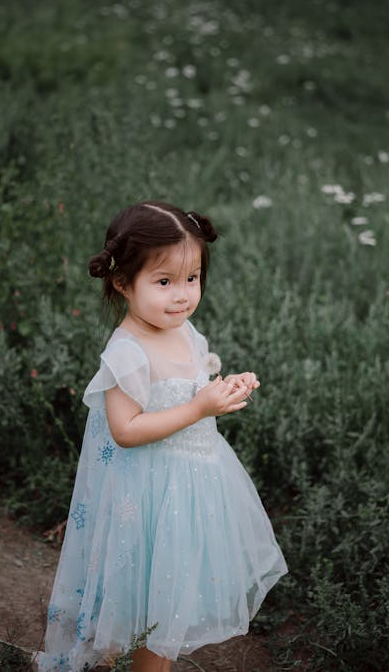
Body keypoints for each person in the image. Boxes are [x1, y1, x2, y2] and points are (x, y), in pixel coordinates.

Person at [34, 201, 288, 672]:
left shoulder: (184, 331)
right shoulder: (126, 352)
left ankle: (132, 658)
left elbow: (191, 392)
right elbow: (125, 430)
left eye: (192, 279)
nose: (182, 296)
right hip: (144, 495)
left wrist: (221, 391)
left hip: (191, 490)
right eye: (164, 281)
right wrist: (197, 407)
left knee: (169, 596)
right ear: (121, 281)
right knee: (140, 601)